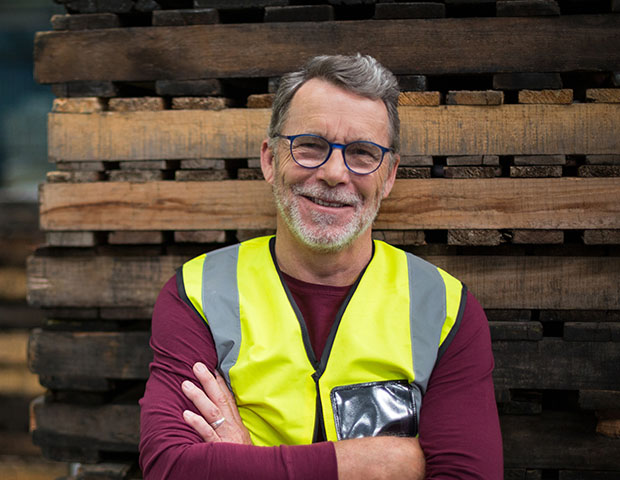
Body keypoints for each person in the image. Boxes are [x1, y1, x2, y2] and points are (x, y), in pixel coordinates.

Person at [138, 54, 503, 479]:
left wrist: (243, 459)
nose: (333, 173)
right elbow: (170, 468)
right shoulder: (197, 294)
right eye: (310, 146)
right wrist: (372, 464)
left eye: (363, 153)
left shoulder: (443, 308)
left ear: (388, 176)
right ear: (271, 160)